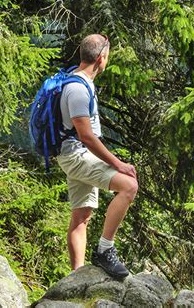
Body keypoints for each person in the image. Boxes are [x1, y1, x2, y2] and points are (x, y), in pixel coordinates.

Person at [57, 34, 138, 278]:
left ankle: (76, 277)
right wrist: (118, 164)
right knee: (128, 186)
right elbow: (87, 137)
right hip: (77, 155)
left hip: (73, 155)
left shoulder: (78, 81)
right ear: (101, 58)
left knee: (81, 216)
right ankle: (105, 249)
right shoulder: (78, 90)